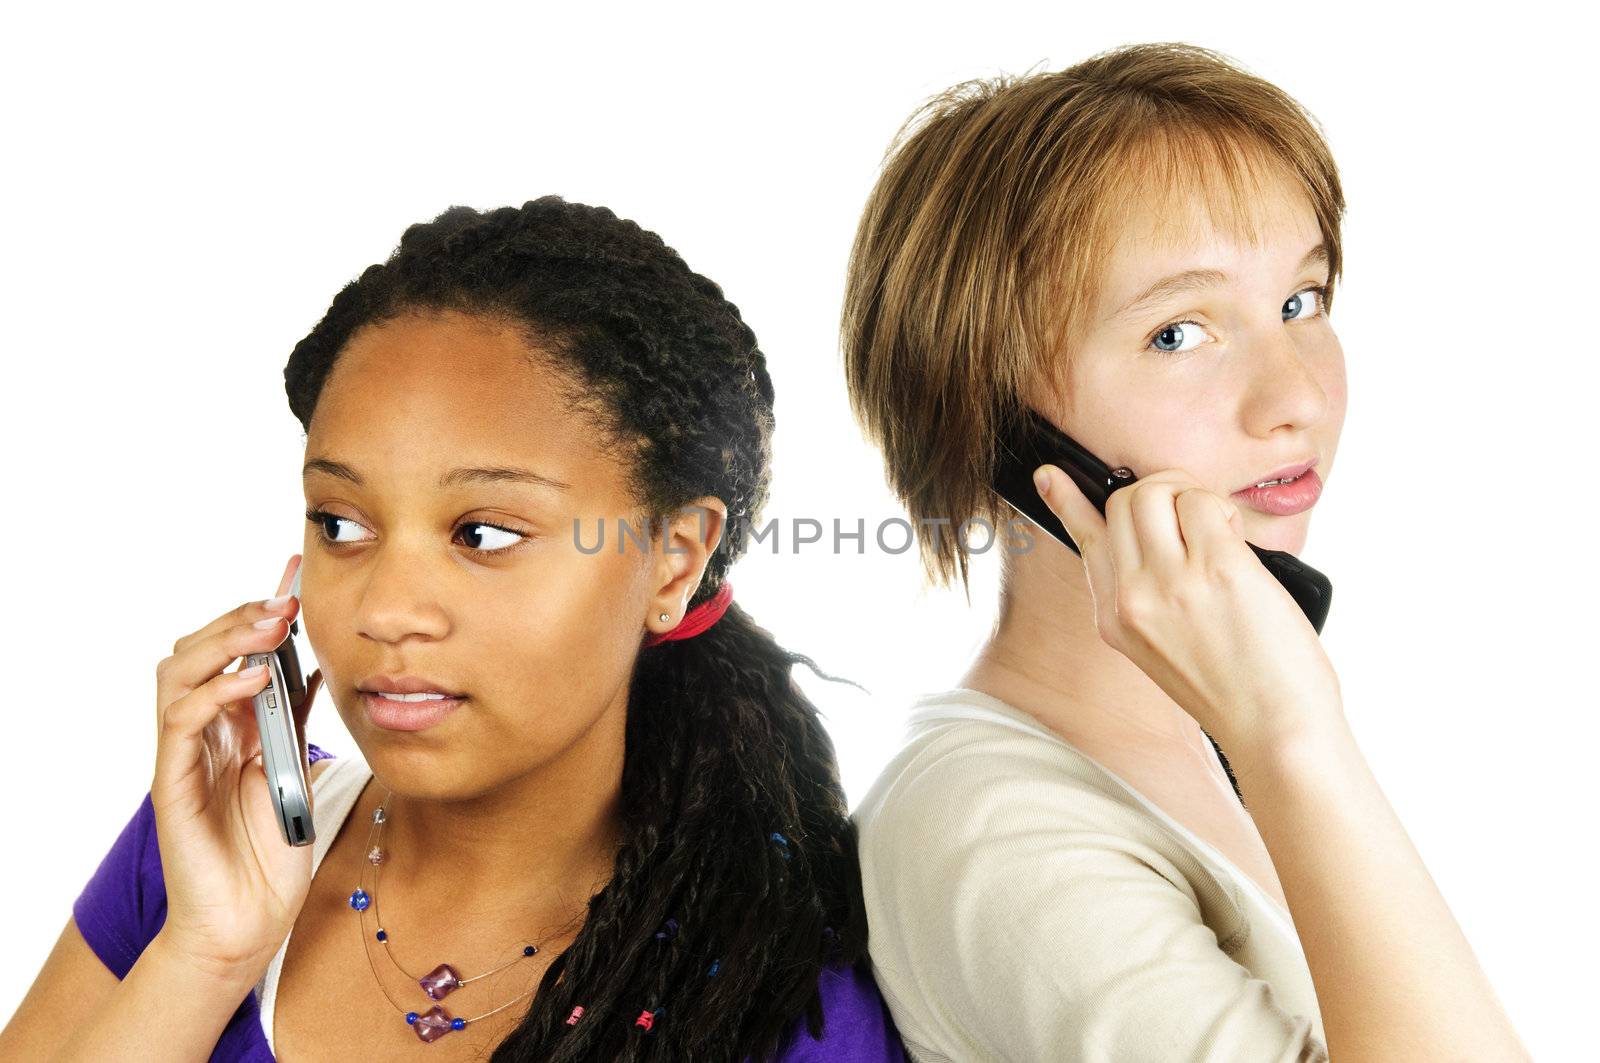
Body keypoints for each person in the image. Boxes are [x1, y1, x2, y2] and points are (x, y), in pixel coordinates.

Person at [3, 197, 907, 1062]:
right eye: (340, 524)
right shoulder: (207, 849)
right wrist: (203, 953)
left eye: (483, 534)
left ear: (673, 557)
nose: (385, 610)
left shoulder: (778, 1001)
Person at [840, 42, 1529, 1062]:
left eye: (1300, 301)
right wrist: (1294, 730)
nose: (1295, 395)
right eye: (1179, 332)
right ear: (991, 427)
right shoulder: (994, 831)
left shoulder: (1213, 740)